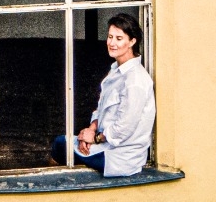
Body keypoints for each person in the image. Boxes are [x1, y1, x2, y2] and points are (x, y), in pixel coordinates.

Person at [50, 13, 155, 177]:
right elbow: (102, 110)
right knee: (69, 143)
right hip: (104, 143)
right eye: (110, 36)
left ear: (132, 42)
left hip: (120, 156)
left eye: (119, 38)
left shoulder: (135, 81)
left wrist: (95, 138)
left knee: (60, 144)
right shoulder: (116, 71)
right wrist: (90, 130)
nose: (112, 43)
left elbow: (124, 128)